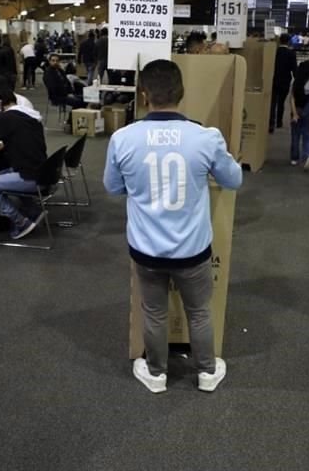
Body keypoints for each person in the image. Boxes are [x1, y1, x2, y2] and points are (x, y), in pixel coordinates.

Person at [103, 59, 243, 394]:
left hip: (146, 248)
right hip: (193, 249)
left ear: (143, 94)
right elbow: (234, 179)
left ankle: (156, 373)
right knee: (199, 311)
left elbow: (112, 187)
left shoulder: (123, 138)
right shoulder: (205, 137)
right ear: (181, 93)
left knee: (153, 312)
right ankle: (207, 373)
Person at [0, 87, 48, 240]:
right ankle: (32, 209)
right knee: (3, 174)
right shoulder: (30, 116)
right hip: (44, 172)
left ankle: (20, 221)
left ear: (0, 104)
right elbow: (23, 139)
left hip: (31, 177)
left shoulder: (7, 118)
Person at [269, 33, 297, 133]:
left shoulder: (274, 52)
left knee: (272, 102)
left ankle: (270, 123)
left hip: (274, 79)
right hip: (285, 80)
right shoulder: (291, 53)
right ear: (289, 41)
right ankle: (279, 122)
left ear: (280, 41)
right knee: (281, 102)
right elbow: (294, 69)